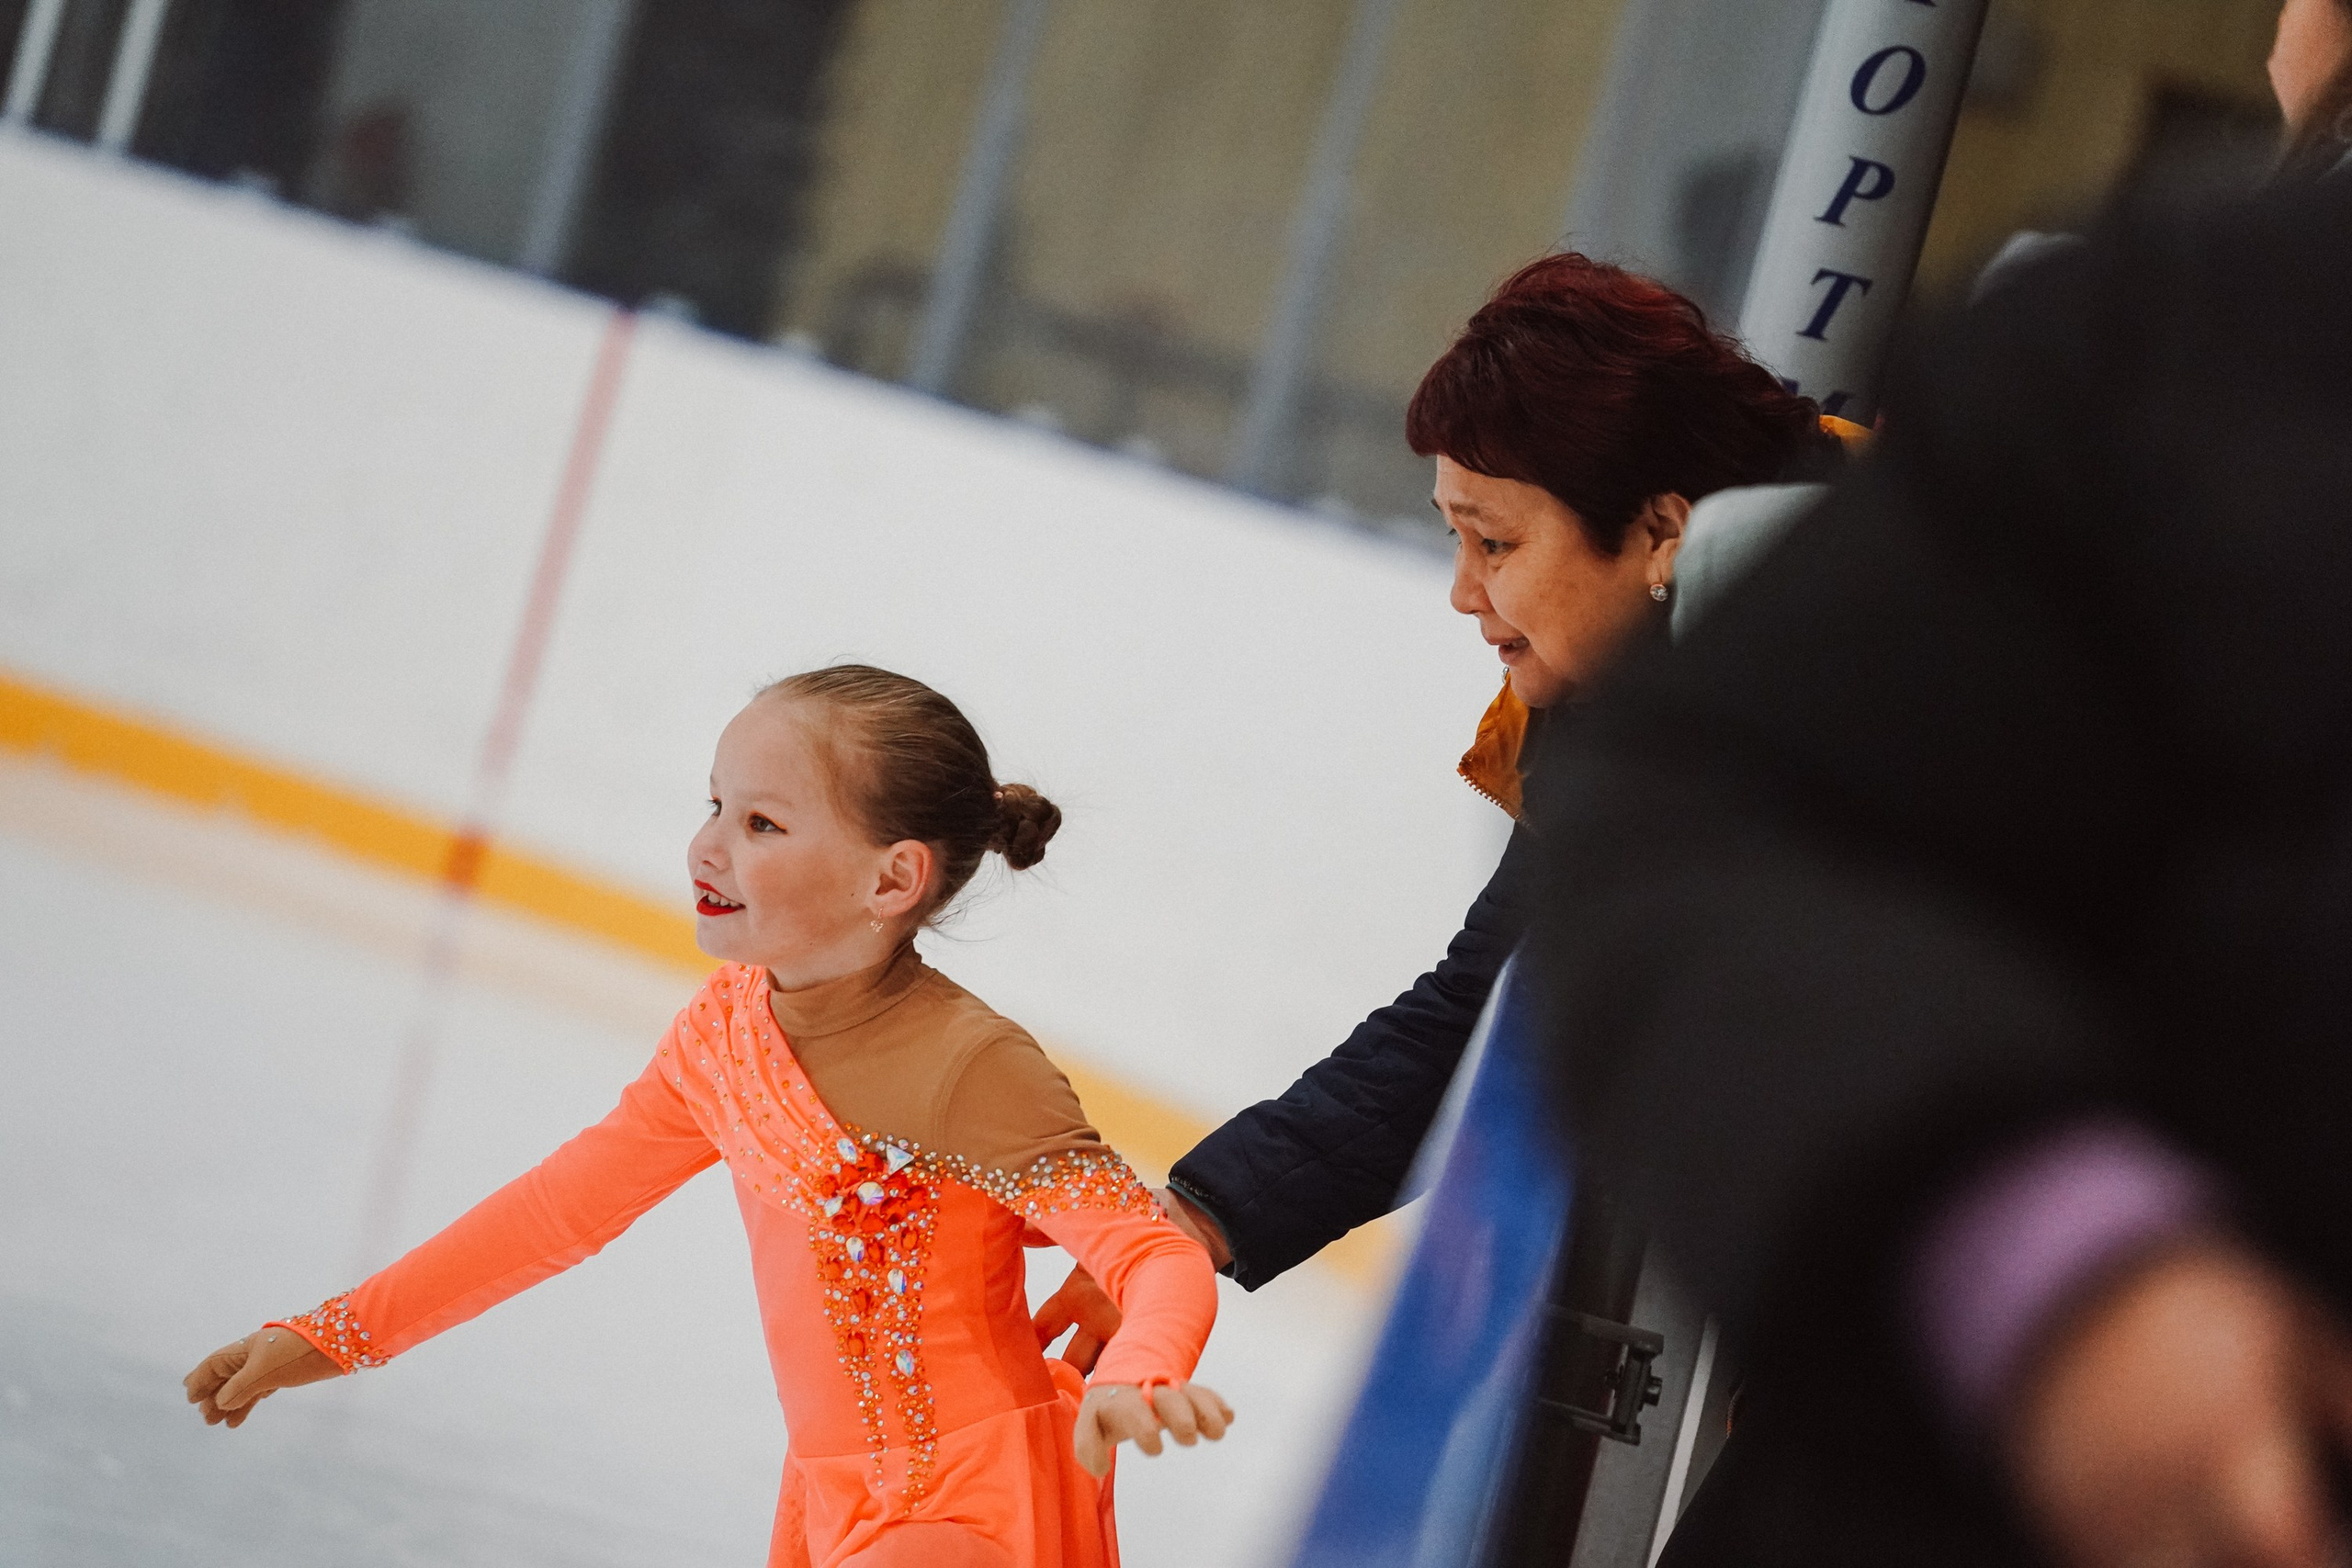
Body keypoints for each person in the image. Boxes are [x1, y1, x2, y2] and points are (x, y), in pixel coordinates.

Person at [1518, 50, 2352, 1568]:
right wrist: (2058, 1270)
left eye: (1490, 539)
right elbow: (1702, 829)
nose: (1472, 592)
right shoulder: (2213, 338)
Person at [184, 665, 1230, 1568]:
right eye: (714, 805)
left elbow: (1153, 1254)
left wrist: (1138, 1371)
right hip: (828, 1503)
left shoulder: (971, 1066)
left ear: (892, 877)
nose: (707, 846)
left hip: (966, 1506)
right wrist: (334, 1336)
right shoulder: (724, 1034)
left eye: (761, 823)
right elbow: (557, 1213)